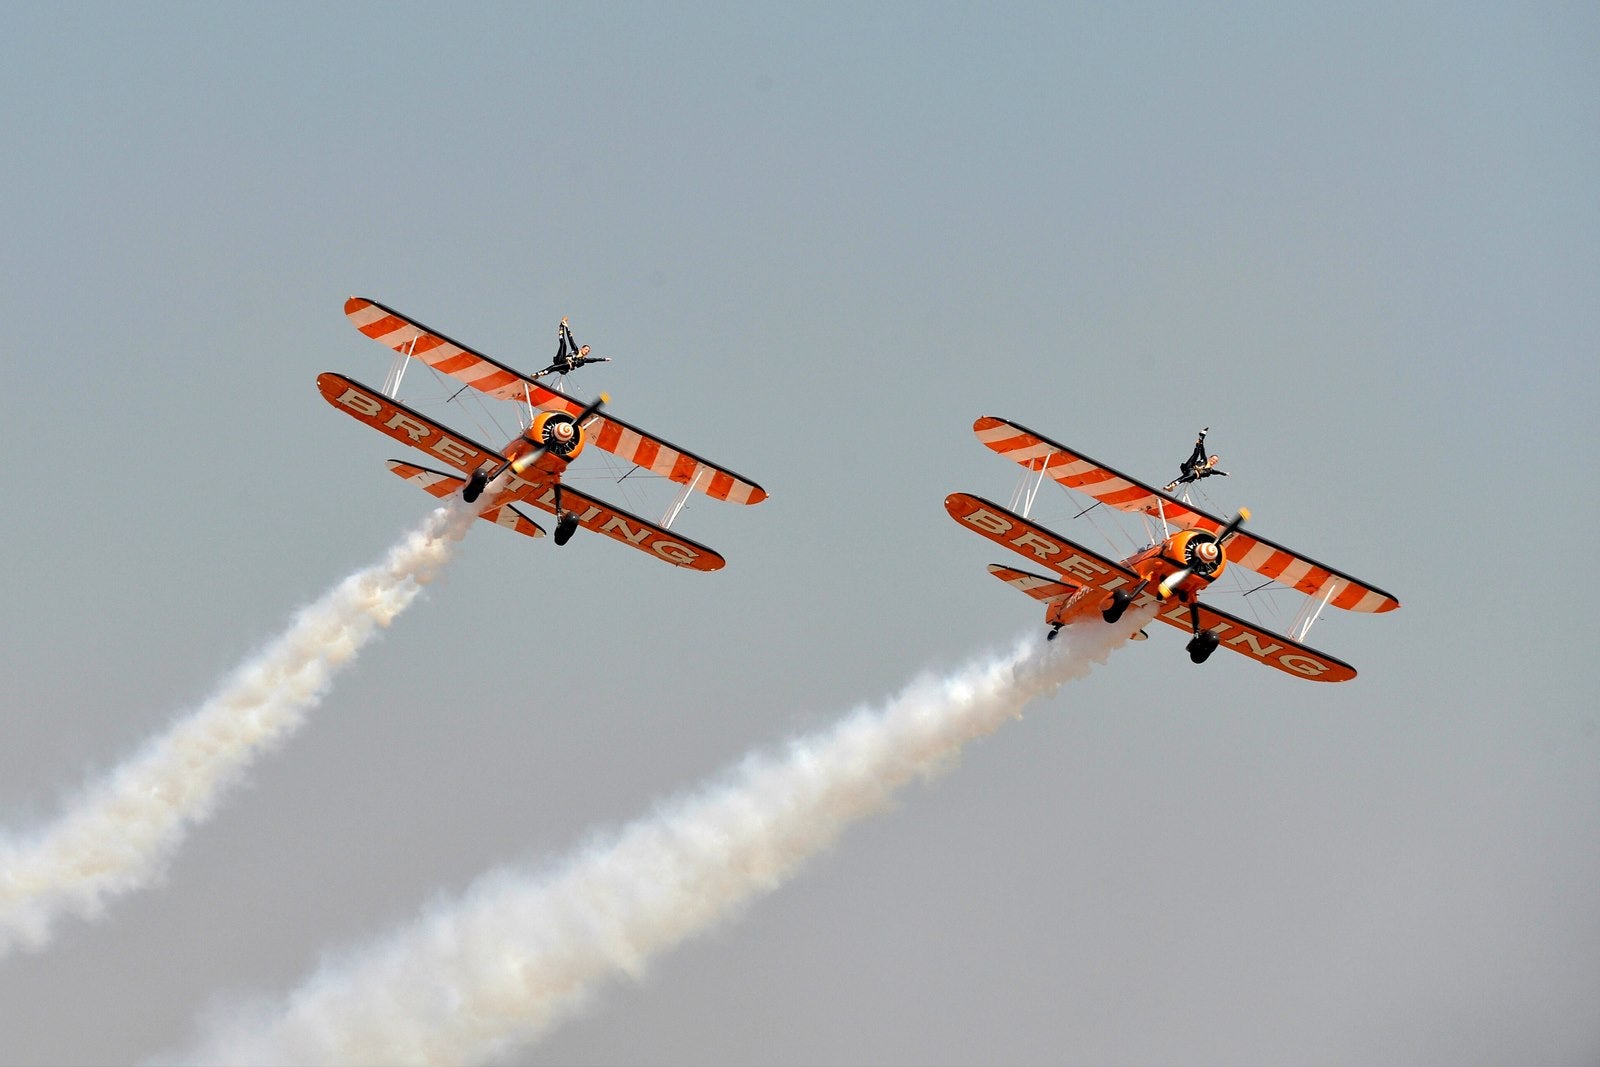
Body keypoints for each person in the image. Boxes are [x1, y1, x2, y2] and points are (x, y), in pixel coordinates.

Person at [534, 316, 611, 378]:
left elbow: (594, 360)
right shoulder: (575, 349)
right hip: (560, 359)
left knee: (555, 367)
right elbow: (570, 338)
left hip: (564, 367)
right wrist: (566, 327)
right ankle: (561, 325)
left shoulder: (583, 359)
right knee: (563, 344)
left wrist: (604, 359)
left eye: (588, 351)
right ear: (582, 348)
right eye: (586, 349)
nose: (587, 351)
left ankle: (541, 373)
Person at [1163, 427, 1227, 492]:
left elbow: (1218, 472)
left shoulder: (1210, 470)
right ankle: (1201, 437)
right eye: (1213, 459)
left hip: (1192, 475)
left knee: (1185, 477)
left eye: (1215, 461)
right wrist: (1201, 441)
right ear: (1209, 458)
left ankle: (1170, 486)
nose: (1213, 461)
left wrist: (1224, 473)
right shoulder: (1204, 459)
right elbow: (1202, 450)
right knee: (1196, 453)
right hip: (1189, 467)